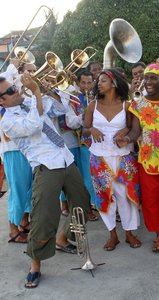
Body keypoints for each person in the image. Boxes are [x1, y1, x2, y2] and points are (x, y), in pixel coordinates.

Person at [0, 74, 90, 288]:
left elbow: (58, 110)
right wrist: (37, 94)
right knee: (43, 217)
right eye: (11, 90)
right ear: (1, 101)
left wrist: (46, 90)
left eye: (14, 86)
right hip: (46, 166)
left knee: (82, 203)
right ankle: (35, 266)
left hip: (65, 158)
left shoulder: (31, 101)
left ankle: (63, 237)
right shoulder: (8, 121)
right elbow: (34, 125)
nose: (16, 90)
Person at [116, 64, 159, 252]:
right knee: (151, 200)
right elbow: (136, 131)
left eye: (153, 78)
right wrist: (126, 139)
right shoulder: (139, 104)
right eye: (146, 78)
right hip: (147, 161)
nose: (148, 82)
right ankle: (158, 235)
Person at [83, 69, 141, 251]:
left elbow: (134, 128)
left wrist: (124, 133)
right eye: (98, 81)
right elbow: (84, 129)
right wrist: (92, 130)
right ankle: (112, 235)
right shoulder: (92, 105)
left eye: (103, 81)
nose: (99, 84)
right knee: (104, 197)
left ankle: (130, 233)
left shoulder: (126, 105)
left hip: (123, 157)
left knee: (126, 196)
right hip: (99, 158)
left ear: (114, 84)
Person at [0, 59, 34, 241]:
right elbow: (5, 79)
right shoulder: (5, 86)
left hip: (26, 150)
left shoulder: (16, 95)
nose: (15, 89)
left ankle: (24, 222)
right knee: (18, 189)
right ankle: (13, 230)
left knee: (28, 188)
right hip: (13, 150)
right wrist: (13, 66)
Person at [64, 70, 99, 221]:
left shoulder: (97, 97)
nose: (86, 86)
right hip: (84, 142)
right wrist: (83, 116)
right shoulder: (73, 99)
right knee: (88, 177)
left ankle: (99, 205)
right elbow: (69, 121)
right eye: (83, 83)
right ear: (77, 83)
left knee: (98, 175)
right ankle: (89, 206)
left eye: (89, 83)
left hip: (100, 141)